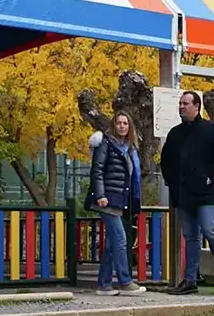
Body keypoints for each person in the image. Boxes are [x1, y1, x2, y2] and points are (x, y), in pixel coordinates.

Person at [160, 91, 214, 295]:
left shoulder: (210, 130)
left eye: (186, 103)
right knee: (191, 236)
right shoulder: (174, 134)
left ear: (197, 106)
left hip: (205, 193)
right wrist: (171, 182)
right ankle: (190, 280)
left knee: (211, 230)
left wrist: (209, 177)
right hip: (183, 194)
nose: (181, 107)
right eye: (180, 103)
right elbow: (166, 161)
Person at [85, 111, 147, 296]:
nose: (122, 126)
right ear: (114, 125)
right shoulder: (106, 144)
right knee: (120, 239)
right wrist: (100, 195)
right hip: (106, 199)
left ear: (130, 127)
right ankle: (125, 282)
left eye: (125, 123)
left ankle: (104, 284)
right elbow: (97, 171)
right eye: (119, 123)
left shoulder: (129, 148)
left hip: (119, 200)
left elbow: (130, 177)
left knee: (113, 243)